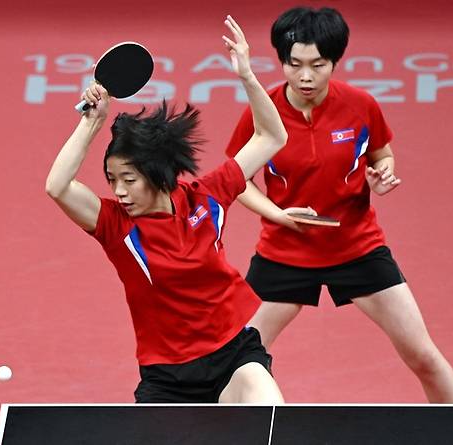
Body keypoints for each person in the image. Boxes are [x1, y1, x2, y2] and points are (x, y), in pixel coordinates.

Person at [224, 6, 453, 403]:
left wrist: (382, 176)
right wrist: (277, 214)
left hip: (357, 248)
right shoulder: (262, 112)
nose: (305, 76)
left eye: (317, 65)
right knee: (231, 361)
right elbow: (236, 179)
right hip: (285, 253)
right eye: (294, 64)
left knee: (422, 355)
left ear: (334, 61)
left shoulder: (360, 105)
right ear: (282, 61)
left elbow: (382, 154)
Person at [45, 16, 287, 403]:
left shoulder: (205, 197)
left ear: (157, 174)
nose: (119, 191)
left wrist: (247, 75)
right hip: (167, 379)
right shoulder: (116, 226)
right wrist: (92, 124)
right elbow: (57, 187)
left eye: (129, 179)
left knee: (269, 409)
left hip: (234, 357)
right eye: (111, 180)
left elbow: (271, 136)